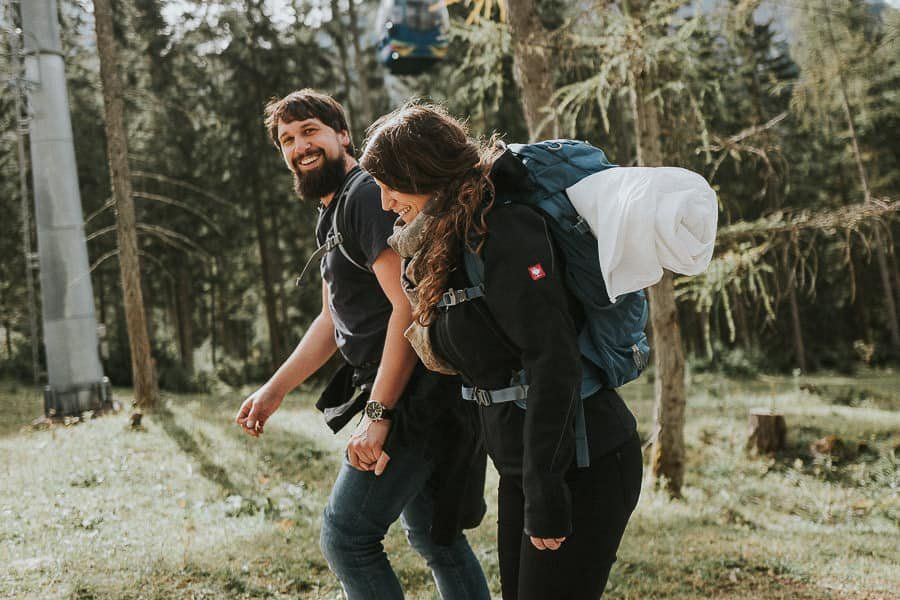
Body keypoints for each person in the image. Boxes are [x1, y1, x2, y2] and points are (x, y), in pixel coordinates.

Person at [360, 103, 643, 600]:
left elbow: (553, 363)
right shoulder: (450, 239)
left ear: (421, 172)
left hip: (585, 462)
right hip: (529, 467)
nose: (384, 203)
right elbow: (480, 372)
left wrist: (546, 495)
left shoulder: (504, 233)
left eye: (389, 185)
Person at [235, 90, 489, 600]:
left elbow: (409, 306)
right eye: (287, 139)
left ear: (341, 135)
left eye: (310, 131)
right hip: (411, 393)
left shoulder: (363, 198)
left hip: (412, 395)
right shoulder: (332, 214)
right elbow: (331, 319)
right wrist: (274, 390)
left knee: (346, 537)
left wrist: (378, 413)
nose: (300, 146)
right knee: (434, 538)